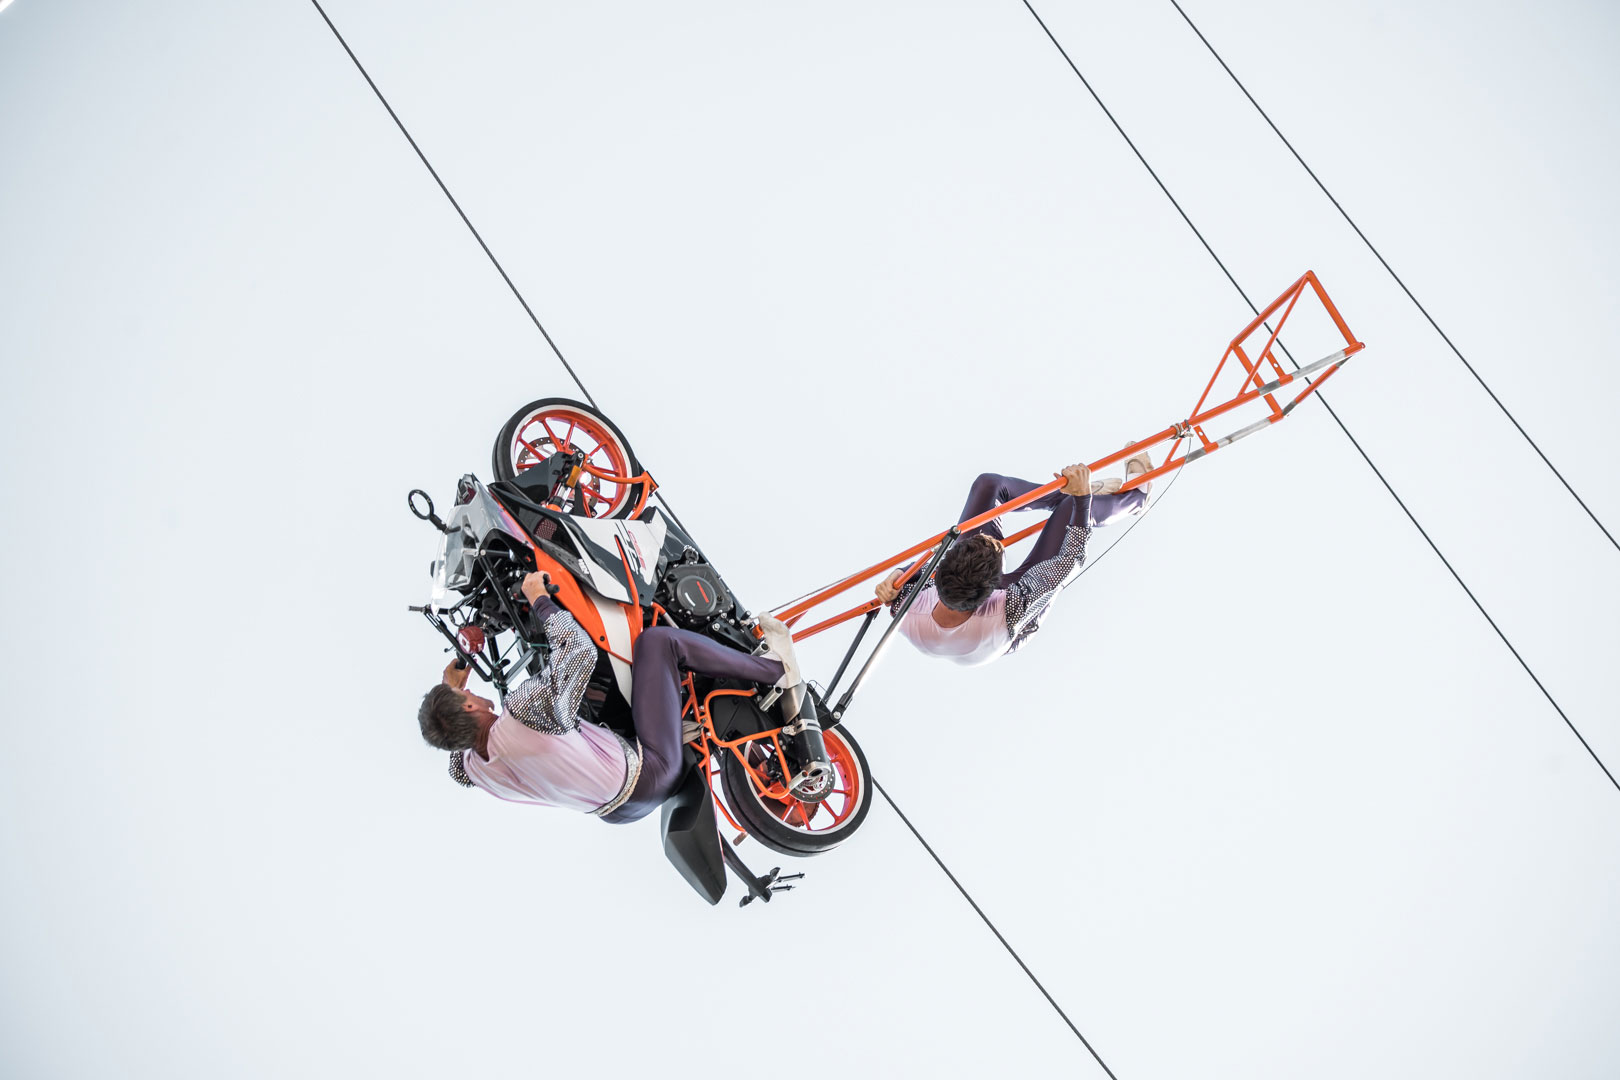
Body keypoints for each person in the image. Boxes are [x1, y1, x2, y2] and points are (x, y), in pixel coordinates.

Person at [419, 572, 801, 823]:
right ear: (468, 706)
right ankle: (776, 669)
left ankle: (681, 713)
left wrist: (451, 690)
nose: (472, 692)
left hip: (618, 811)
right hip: (648, 773)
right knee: (657, 643)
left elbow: (457, 757)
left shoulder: (474, 770)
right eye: (466, 694)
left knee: (592, 707)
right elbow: (578, 651)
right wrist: (539, 599)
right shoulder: (521, 712)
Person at [873, 452, 1152, 666]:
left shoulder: (908, 604)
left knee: (988, 485)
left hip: (958, 606)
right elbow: (1072, 557)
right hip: (1008, 631)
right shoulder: (1012, 604)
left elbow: (910, 577)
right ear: (993, 589)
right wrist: (1083, 500)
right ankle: (1136, 500)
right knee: (1072, 511)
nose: (994, 539)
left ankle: (1061, 496)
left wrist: (897, 574)